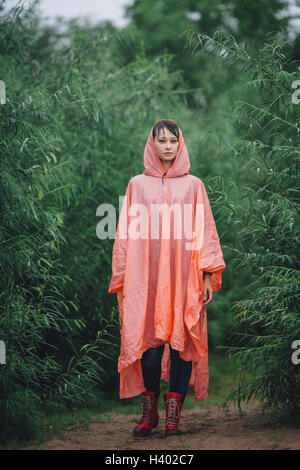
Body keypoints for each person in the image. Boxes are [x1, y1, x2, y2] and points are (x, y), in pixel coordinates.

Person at [108, 119, 226, 437]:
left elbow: (205, 232)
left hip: (184, 276)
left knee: (181, 345)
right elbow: (125, 237)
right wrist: (122, 278)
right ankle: (150, 414)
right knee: (148, 347)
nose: (168, 146)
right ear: (152, 145)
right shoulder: (137, 185)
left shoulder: (193, 186)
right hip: (145, 279)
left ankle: (173, 415)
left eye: (173, 140)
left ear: (180, 144)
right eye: (162, 141)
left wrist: (205, 276)